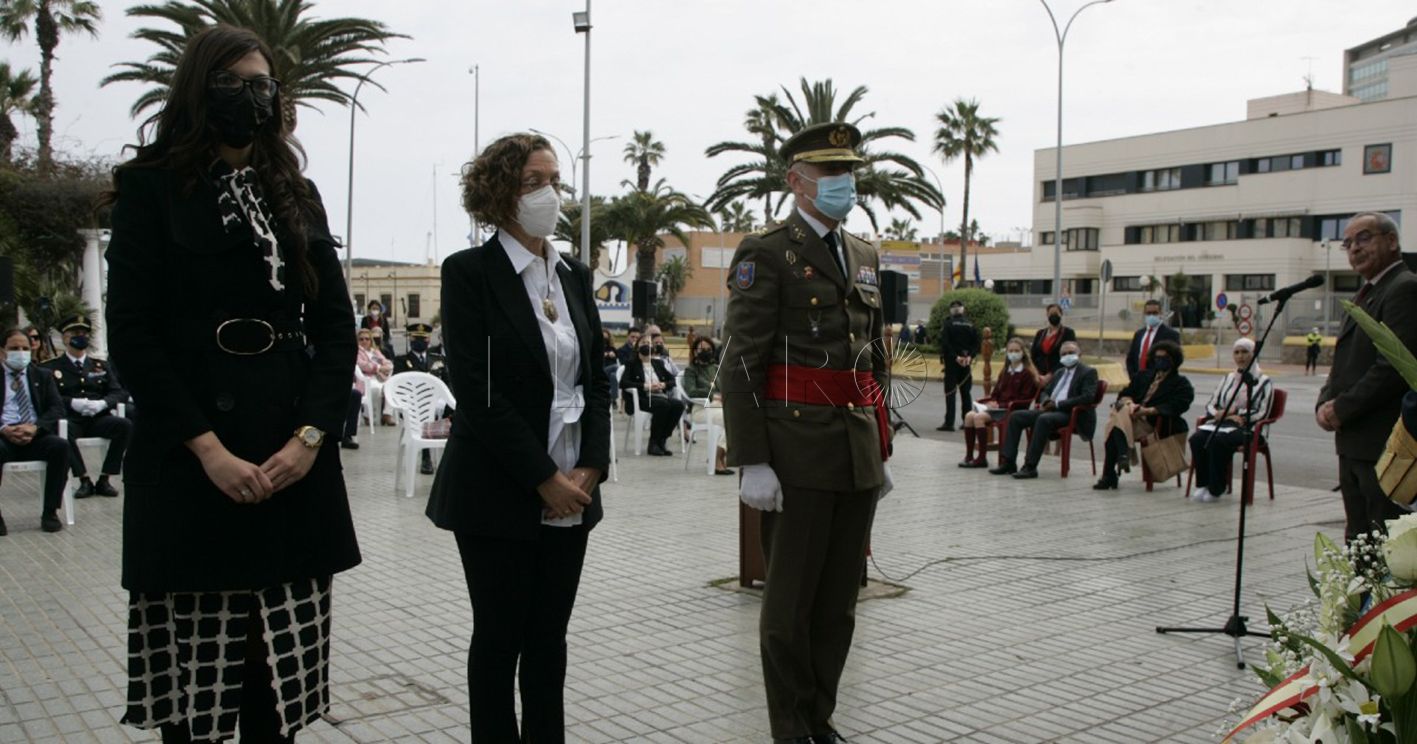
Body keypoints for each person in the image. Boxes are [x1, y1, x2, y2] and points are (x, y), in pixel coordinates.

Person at [103, 25, 361, 743]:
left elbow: (336, 330)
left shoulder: (296, 193)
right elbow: (132, 335)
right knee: (196, 696)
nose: (251, 97)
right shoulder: (150, 189)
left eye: (262, 83)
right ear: (197, 89)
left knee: (274, 693)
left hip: (289, 456)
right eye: (233, 83)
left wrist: (310, 437)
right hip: (192, 460)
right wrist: (208, 449)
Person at [426, 132, 610, 743]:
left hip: (573, 487)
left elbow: (597, 377)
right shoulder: (469, 273)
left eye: (554, 180)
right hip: (499, 490)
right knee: (500, 637)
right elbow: (478, 393)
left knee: (549, 641)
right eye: (533, 182)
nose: (548, 193)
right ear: (500, 192)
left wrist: (591, 466)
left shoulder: (574, 275)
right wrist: (542, 478)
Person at [719, 122, 892, 744]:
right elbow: (742, 358)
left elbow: (869, 358)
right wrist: (752, 460)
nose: (843, 183)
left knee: (838, 606)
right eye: (829, 173)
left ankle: (819, 720)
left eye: (849, 172)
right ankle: (791, 730)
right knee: (789, 607)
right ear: (796, 180)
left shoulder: (865, 255)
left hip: (854, 454)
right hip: (794, 454)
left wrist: (880, 438)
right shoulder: (766, 251)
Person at [1317, 211, 1417, 541]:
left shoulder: (1403, 288)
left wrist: (1341, 408)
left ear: (1391, 241)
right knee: (1359, 542)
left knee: (1381, 545)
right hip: (1353, 442)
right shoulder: (1368, 291)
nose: (1354, 248)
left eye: (1364, 238)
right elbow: (1345, 364)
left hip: (1381, 444)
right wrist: (1324, 401)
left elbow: (1391, 367)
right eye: (1348, 243)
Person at [41, 314, 134, 498]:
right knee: (62, 433)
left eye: (84, 333)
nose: (80, 336)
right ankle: (83, 479)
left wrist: (102, 403)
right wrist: (72, 403)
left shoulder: (100, 365)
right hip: (71, 419)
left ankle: (105, 478)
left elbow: (119, 392)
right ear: (64, 337)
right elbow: (48, 397)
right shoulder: (51, 368)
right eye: (75, 332)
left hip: (97, 418)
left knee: (124, 426)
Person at [990, 340, 1098, 479]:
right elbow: (1044, 391)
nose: (1067, 356)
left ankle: (1030, 466)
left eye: (1071, 353)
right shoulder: (1059, 372)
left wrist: (1058, 404)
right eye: (1064, 354)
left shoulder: (1088, 372)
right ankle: (1009, 462)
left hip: (1071, 414)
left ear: (1080, 354)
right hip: (1051, 410)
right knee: (1016, 416)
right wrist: (1046, 400)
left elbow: (1087, 397)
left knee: (1043, 419)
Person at [1095, 339, 1195, 490]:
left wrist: (1149, 410)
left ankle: (1112, 472)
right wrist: (1131, 404)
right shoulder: (1143, 376)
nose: (1159, 361)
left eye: (1164, 358)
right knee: (1120, 413)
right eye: (1157, 358)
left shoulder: (1181, 383)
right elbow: (1124, 394)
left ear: (1173, 360)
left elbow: (1179, 405)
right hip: (1132, 419)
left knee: (1114, 426)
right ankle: (1121, 458)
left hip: (1154, 424)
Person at [0, 327, 70, 534]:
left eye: (24, 348)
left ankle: (50, 512)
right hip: (4, 436)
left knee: (61, 447)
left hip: (34, 434)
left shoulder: (43, 375)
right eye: (14, 348)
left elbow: (57, 408)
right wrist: (4, 429)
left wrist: (35, 427)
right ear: (2, 351)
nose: (20, 352)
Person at [1189, 338, 1274, 502]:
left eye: (1245, 352)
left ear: (1253, 354)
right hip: (1222, 423)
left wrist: (1239, 414)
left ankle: (1217, 488)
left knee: (1218, 441)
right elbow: (1211, 404)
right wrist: (1221, 414)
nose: (1240, 357)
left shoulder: (1263, 381)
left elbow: (1263, 411)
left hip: (1248, 429)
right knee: (1197, 439)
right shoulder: (1228, 378)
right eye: (1237, 352)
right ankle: (1203, 484)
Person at [958, 337, 1040, 468]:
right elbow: (996, 393)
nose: (1013, 353)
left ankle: (981, 458)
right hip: (997, 408)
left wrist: (1001, 405)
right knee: (969, 416)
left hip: (1012, 410)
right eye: (1010, 350)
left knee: (979, 418)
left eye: (1016, 350)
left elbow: (1024, 398)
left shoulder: (1027, 373)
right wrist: (992, 401)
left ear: (1023, 352)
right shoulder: (1005, 371)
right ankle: (969, 455)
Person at [394, 322, 451, 473]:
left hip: (437, 402)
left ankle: (450, 452)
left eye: (424, 338)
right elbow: (399, 386)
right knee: (425, 409)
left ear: (428, 340)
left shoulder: (437, 359)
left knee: (452, 408)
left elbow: (447, 382)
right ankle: (426, 458)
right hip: (413, 405)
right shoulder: (401, 361)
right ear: (410, 340)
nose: (420, 341)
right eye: (416, 338)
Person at [620, 338, 686, 455]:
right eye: (643, 343)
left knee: (678, 405)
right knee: (663, 405)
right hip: (641, 398)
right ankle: (653, 443)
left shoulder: (658, 363)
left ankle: (662, 439)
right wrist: (646, 386)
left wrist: (663, 384)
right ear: (637, 347)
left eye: (649, 343)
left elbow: (673, 380)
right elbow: (624, 383)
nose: (646, 346)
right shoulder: (631, 363)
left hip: (659, 395)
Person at [683, 335, 732, 474]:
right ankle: (717, 460)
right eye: (701, 349)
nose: (705, 351)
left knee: (739, 418)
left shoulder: (716, 369)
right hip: (701, 410)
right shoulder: (691, 370)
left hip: (720, 407)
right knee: (731, 420)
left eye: (708, 349)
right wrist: (711, 395)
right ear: (695, 352)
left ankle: (719, 456)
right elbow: (691, 392)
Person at [936, 299, 979, 432]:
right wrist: (970, 356)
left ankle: (949, 423)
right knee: (966, 393)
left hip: (952, 363)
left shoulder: (948, 324)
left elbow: (945, 344)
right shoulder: (971, 324)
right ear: (963, 310)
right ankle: (967, 422)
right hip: (966, 363)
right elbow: (977, 343)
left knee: (950, 393)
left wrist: (956, 357)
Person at [1125, 298, 1181, 381]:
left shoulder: (1171, 335)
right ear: (1144, 314)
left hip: (1159, 382)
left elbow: (1175, 359)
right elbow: (1131, 358)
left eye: (1155, 313)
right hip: (1138, 381)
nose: (1151, 316)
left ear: (1160, 313)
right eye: (1148, 313)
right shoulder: (1139, 334)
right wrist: (1134, 377)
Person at [356, 328, 394, 425]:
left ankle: (387, 414)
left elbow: (388, 363)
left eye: (367, 339)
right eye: (361, 339)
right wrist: (379, 367)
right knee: (375, 388)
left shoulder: (375, 351)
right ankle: (367, 415)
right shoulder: (357, 351)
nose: (364, 341)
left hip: (379, 377)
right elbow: (363, 365)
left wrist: (384, 366)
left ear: (371, 340)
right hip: (365, 379)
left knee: (391, 386)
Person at [1031, 303, 1076, 378]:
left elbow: (1069, 356)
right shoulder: (1040, 333)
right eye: (1051, 313)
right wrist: (1036, 373)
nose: (1053, 316)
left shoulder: (1068, 333)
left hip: (1059, 374)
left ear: (1061, 314)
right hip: (1039, 375)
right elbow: (1033, 355)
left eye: (1056, 313)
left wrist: (1050, 375)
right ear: (1047, 315)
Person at [600, 328, 620, 392]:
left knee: (613, 376)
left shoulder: (612, 348)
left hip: (610, 372)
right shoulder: (597, 348)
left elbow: (617, 357)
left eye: (606, 338)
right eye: (603, 338)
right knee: (615, 367)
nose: (604, 340)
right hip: (602, 371)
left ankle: (613, 397)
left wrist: (614, 356)